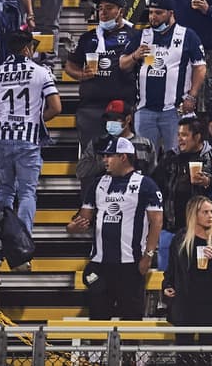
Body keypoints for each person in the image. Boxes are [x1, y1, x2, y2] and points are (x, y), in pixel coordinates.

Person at [0, 28, 62, 239]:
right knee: (26, 193)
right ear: (27, 49)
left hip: (2, 138)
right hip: (28, 139)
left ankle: (0, 237)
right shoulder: (42, 72)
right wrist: (36, 120)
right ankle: (21, 242)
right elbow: (56, 107)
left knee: (4, 191)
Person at [66, 136, 164, 321]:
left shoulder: (145, 184)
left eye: (109, 156)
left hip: (130, 265)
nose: (104, 160)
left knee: (131, 318)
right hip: (100, 264)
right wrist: (72, 227)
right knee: (98, 315)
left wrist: (148, 256)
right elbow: (82, 218)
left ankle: (128, 351)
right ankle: (98, 350)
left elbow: (157, 221)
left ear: (123, 157)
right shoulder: (98, 183)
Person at [65, 0, 141, 156]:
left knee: (123, 156)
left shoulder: (135, 36)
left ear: (121, 11)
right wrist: (81, 75)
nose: (103, 12)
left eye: (109, 8)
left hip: (122, 107)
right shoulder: (88, 37)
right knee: (92, 159)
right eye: (100, 8)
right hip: (91, 107)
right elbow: (70, 65)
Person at [161, 196, 212, 364]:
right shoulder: (180, 239)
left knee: (204, 357)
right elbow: (171, 272)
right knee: (183, 356)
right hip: (185, 307)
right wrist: (167, 286)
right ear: (193, 214)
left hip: (209, 308)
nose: (210, 216)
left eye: (211, 212)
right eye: (205, 212)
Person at [129, 0, 207, 154]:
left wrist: (192, 96)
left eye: (158, 13)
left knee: (178, 155)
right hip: (145, 109)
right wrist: (134, 56)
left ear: (171, 13)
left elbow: (200, 67)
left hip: (175, 108)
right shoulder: (144, 35)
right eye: (151, 12)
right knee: (144, 158)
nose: (153, 17)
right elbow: (123, 63)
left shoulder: (187, 35)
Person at [151, 116, 212, 270]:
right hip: (170, 230)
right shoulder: (170, 158)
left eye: (184, 135)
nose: (180, 139)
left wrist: (208, 183)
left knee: (197, 278)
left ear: (198, 136)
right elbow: (155, 186)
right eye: (179, 135)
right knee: (167, 277)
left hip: (200, 233)